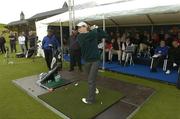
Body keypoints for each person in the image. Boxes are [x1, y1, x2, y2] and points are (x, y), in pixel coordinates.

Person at [77, 22, 109, 104]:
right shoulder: (80, 37)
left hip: (95, 60)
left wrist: (98, 28)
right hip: (87, 61)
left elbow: (105, 35)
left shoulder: (93, 33)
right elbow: (91, 35)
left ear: (85, 27)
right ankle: (94, 89)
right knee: (89, 78)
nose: (78, 29)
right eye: (78, 28)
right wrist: (94, 29)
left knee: (91, 80)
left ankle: (90, 100)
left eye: (80, 27)